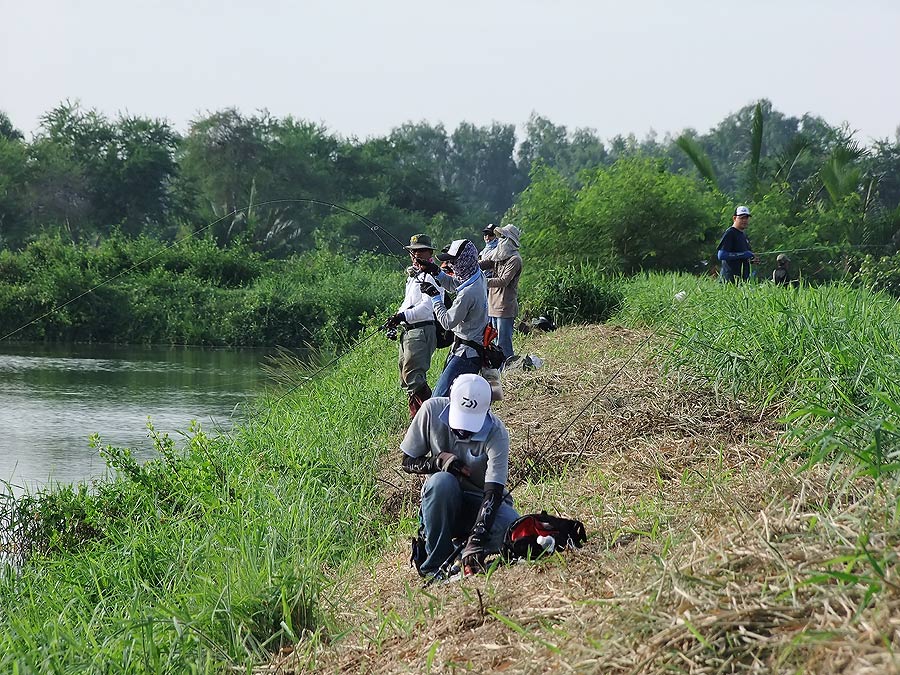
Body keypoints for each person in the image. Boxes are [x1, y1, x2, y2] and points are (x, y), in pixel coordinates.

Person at [401, 373, 519, 577]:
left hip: (479, 502)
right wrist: (438, 462)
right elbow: (407, 462)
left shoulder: (497, 433)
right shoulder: (430, 410)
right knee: (442, 482)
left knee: (512, 527)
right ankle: (435, 564)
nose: (462, 430)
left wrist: (477, 540)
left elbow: (493, 493)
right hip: (441, 502)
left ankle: (466, 548)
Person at [415, 239, 489, 398]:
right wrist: (436, 271)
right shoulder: (478, 275)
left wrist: (435, 297)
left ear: (463, 261)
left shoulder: (467, 294)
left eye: (453, 261)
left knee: (438, 398)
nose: (450, 265)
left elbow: (447, 322)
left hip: (466, 353)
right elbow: (456, 284)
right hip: (470, 348)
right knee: (454, 398)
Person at [384, 234, 443, 417]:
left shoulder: (430, 275)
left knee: (414, 377)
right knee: (406, 376)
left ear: (429, 252)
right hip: (409, 331)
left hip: (422, 330)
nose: (416, 254)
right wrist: (395, 319)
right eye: (413, 251)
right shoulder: (413, 277)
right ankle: (424, 417)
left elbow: (427, 307)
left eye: (421, 250)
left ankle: (426, 418)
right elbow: (407, 303)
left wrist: (403, 315)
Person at [480, 224, 522, 365]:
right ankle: (499, 370)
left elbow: (503, 281)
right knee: (493, 343)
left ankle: (509, 370)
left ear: (510, 240)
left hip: (505, 307)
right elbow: (485, 263)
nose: (500, 240)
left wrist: (481, 281)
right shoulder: (499, 256)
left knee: (504, 344)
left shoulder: (515, 259)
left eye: (503, 237)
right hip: (492, 306)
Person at [716, 206, 758, 282]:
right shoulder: (730, 233)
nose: (745, 220)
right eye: (742, 218)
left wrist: (751, 260)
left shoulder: (743, 235)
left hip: (741, 281)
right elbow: (721, 255)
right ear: (734, 218)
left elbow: (741, 256)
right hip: (729, 281)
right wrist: (743, 254)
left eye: (747, 218)